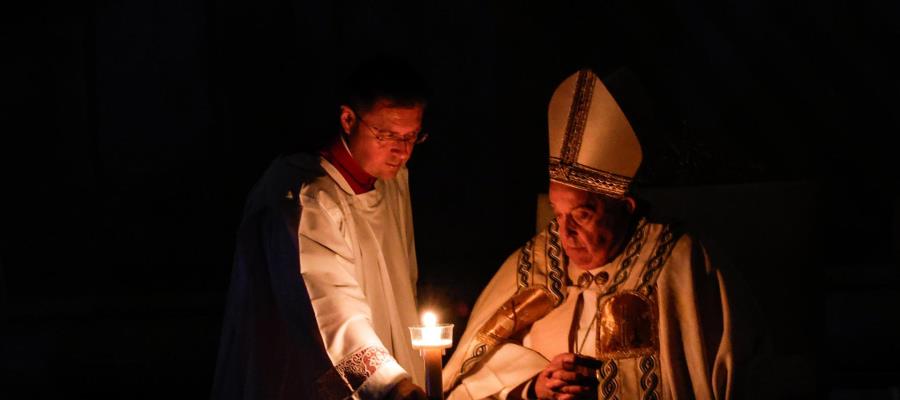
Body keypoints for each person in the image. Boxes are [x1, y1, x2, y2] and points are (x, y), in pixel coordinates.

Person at [442, 69, 766, 399]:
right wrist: (535, 387)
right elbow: (471, 383)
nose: (565, 232)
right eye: (558, 213)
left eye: (582, 215)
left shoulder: (678, 263)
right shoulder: (534, 263)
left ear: (625, 209)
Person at [211, 56, 431, 400]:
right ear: (348, 119)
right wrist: (390, 386)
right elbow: (329, 309)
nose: (401, 151)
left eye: (412, 137)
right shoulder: (305, 198)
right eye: (387, 135)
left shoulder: (393, 183)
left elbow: (401, 287)